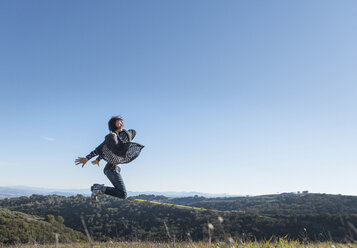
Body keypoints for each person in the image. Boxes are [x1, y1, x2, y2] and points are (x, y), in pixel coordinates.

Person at [75, 116, 144, 203]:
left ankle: (98, 188)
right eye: (119, 122)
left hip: (113, 169)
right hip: (112, 169)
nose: (122, 124)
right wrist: (87, 158)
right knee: (123, 194)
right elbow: (102, 149)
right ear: (113, 125)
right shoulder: (112, 136)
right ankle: (99, 188)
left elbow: (107, 150)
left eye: (122, 123)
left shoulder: (116, 139)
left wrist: (98, 159)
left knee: (122, 194)